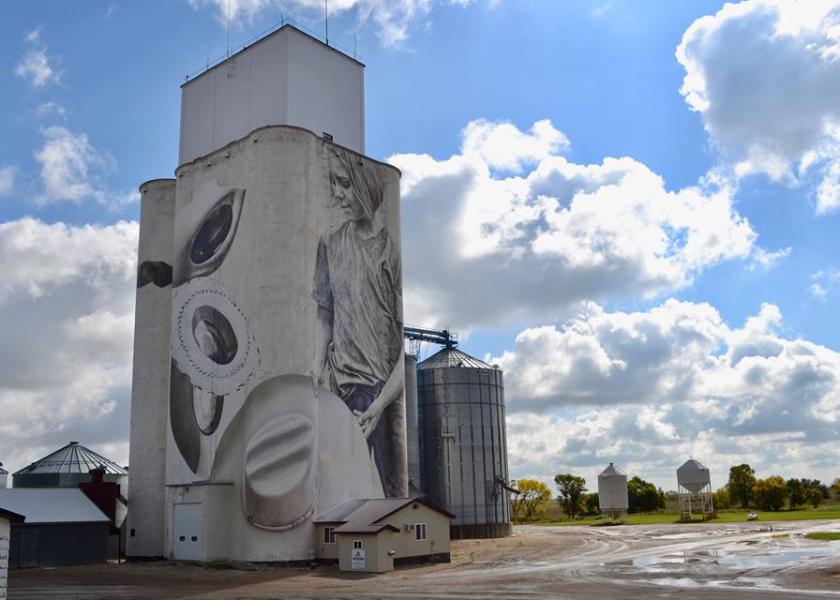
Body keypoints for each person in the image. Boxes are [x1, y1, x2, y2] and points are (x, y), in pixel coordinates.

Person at [312, 147, 406, 497]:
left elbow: (399, 337)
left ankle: (392, 548)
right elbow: (324, 314)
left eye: (345, 184)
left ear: (367, 185)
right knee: (336, 492)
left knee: (395, 492)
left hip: (386, 392)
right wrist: (317, 376)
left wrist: (380, 405)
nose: (337, 194)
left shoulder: (389, 250)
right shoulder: (331, 243)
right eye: (333, 183)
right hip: (341, 390)